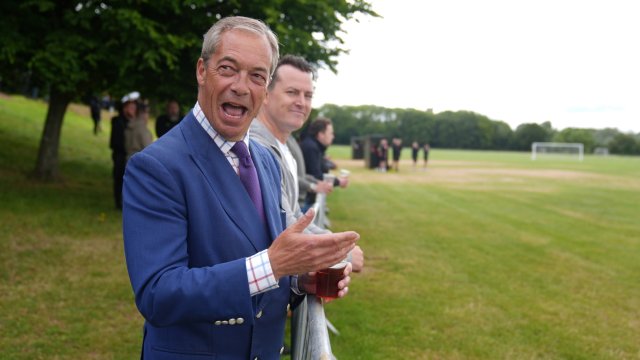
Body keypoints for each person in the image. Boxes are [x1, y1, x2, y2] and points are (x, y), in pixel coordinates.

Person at [122, 16, 359, 359]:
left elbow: (264, 256)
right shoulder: (157, 166)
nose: (241, 86)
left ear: (265, 90)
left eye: (257, 76)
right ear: (202, 71)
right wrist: (276, 266)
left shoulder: (265, 159)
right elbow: (159, 294)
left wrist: (298, 280)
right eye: (228, 69)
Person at [251, 54, 363, 271]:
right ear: (266, 95)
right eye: (292, 92)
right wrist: (342, 254)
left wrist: (336, 242)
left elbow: (296, 215)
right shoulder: (256, 147)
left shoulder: (285, 145)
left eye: (308, 95)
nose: (301, 102)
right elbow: (283, 223)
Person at [300, 117, 348, 208]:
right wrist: (338, 181)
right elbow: (316, 176)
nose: (333, 136)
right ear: (321, 134)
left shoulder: (314, 146)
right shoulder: (311, 148)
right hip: (305, 200)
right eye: (330, 133)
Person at [109, 91, 139, 209]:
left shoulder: (134, 123)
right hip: (121, 155)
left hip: (130, 154)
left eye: (134, 108)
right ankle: (119, 203)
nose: (133, 110)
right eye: (130, 107)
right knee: (119, 178)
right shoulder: (118, 122)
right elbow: (116, 142)